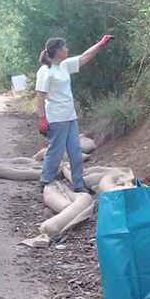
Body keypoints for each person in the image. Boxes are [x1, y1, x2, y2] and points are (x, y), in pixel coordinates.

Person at [36, 34, 113, 192]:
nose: (67, 49)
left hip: (70, 117)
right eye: (64, 47)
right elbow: (40, 96)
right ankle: (46, 181)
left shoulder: (63, 65)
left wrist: (100, 44)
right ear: (56, 51)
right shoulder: (45, 71)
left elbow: (85, 57)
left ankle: (78, 185)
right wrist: (42, 119)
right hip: (56, 118)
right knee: (55, 153)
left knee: (76, 152)